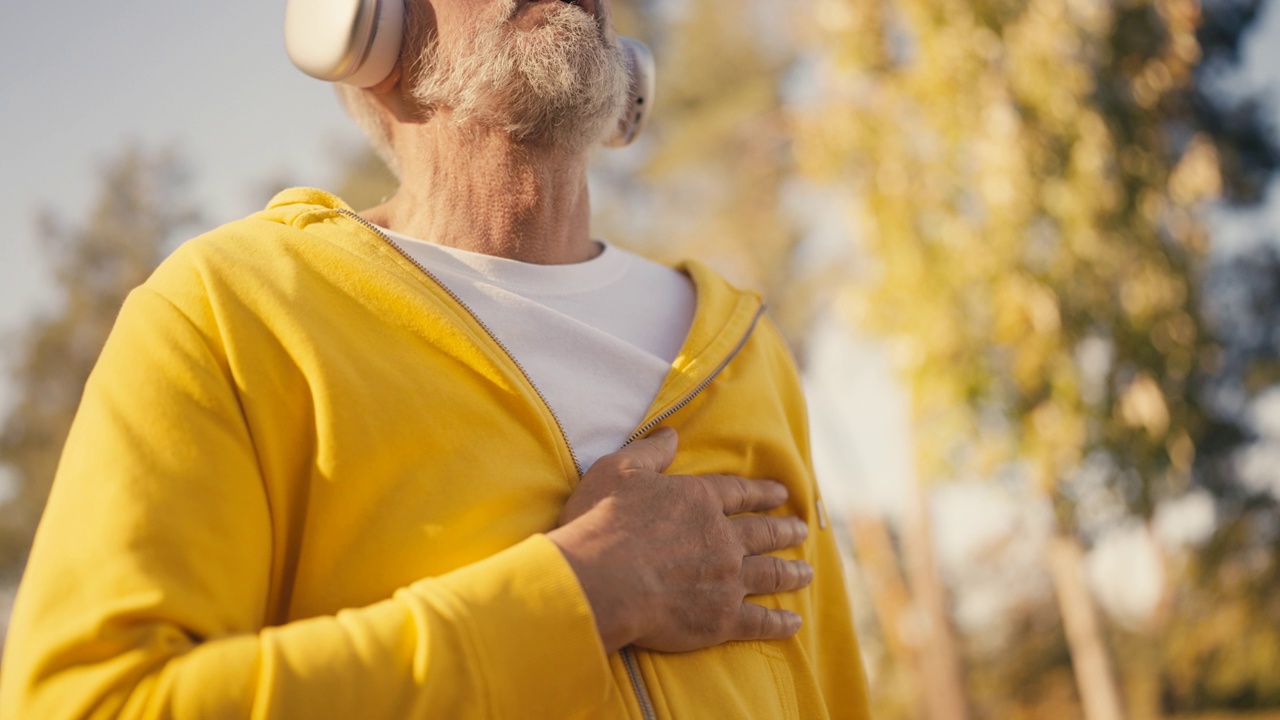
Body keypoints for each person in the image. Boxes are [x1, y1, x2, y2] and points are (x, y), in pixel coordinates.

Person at [0, 0, 871, 717]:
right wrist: (584, 592)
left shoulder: (747, 349)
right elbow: (96, 703)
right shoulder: (232, 312)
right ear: (353, 21)